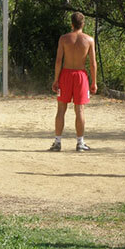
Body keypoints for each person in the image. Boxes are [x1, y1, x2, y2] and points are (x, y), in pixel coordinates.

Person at [49, 12, 97, 152]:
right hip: (81, 76)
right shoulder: (89, 40)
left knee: (61, 109)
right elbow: (93, 63)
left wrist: (56, 79)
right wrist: (94, 81)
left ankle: (57, 142)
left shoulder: (64, 39)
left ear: (71, 24)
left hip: (66, 74)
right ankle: (80, 143)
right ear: (83, 24)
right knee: (80, 110)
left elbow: (58, 61)